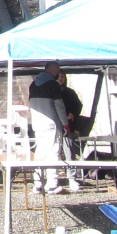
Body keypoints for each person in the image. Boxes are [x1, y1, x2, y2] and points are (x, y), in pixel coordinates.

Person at [27, 61, 80, 193]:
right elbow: (59, 106)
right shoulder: (52, 84)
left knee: (39, 153)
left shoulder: (33, 85)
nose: (57, 74)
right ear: (52, 70)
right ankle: (52, 183)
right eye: (57, 71)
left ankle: (37, 183)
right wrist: (65, 124)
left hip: (37, 124)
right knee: (53, 153)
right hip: (51, 124)